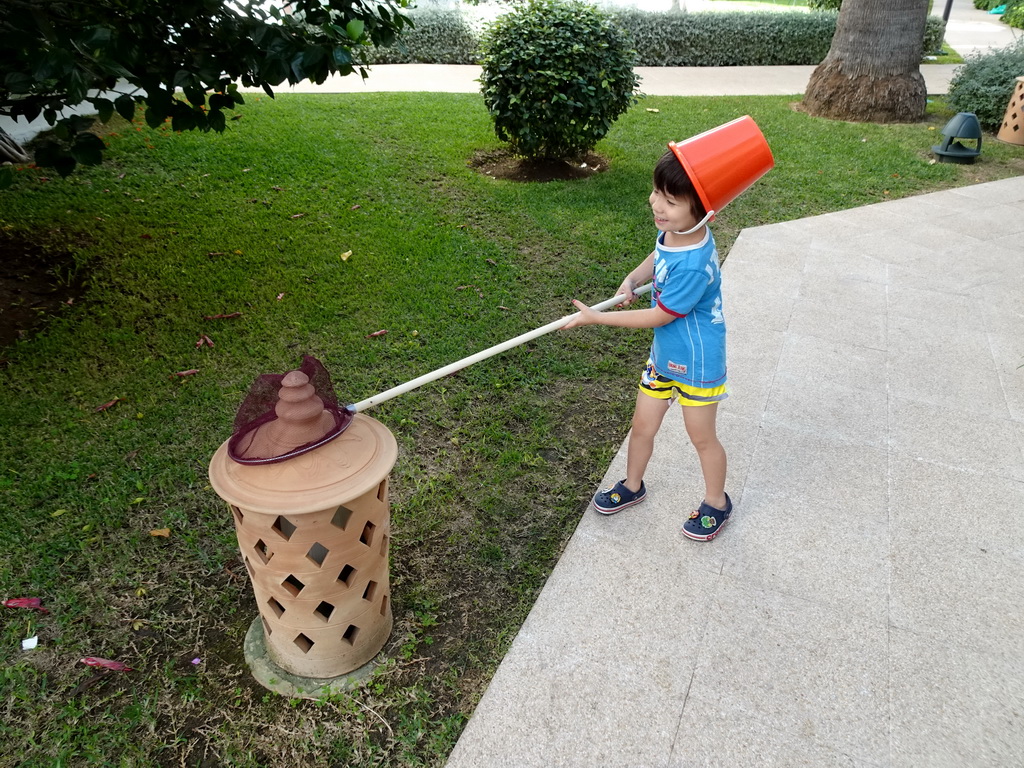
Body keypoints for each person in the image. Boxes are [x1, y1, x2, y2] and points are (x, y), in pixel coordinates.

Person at [562, 149, 731, 541]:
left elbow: (659, 317)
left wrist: (597, 317)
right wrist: (633, 279)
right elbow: (659, 254)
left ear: (704, 212)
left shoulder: (693, 263)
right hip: (665, 358)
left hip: (698, 364)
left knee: (702, 437)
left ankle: (717, 502)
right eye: (656, 192)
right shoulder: (677, 231)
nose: (657, 204)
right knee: (642, 426)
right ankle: (633, 485)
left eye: (670, 201)